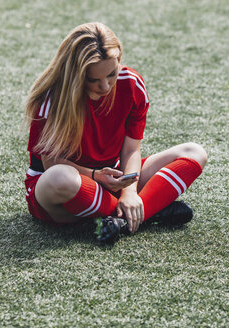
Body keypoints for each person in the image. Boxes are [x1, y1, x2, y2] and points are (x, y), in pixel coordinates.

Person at [24, 22, 207, 242]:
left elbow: (131, 149)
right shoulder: (52, 99)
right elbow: (51, 164)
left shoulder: (131, 84)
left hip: (115, 178)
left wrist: (129, 191)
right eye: (93, 79)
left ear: (119, 60)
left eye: (111, 74)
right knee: (60, 178)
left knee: (194, 152)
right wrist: (95, 176)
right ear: (75, 74)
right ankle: (146, 213)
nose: (105, 86)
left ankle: (122, 219)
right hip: (63, 189)